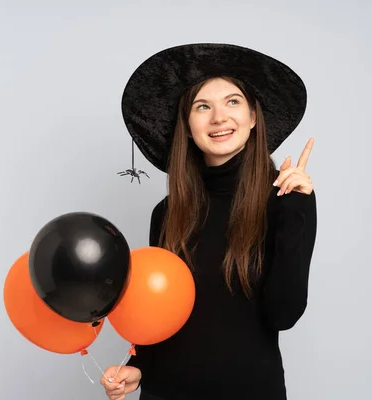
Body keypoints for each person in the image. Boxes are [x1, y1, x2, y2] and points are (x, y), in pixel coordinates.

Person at [101, 43, 317, 400]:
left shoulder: (285, 202)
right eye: (203, 106)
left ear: (253, 116)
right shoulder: (167, 212)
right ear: (186, 127)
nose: (219, 117)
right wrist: (138, 368)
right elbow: (160, 311)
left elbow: (283, 314)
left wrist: (297, 210)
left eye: (232, 102)